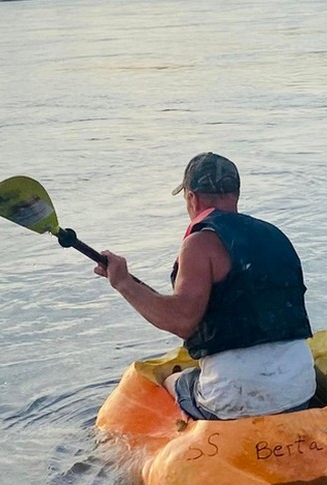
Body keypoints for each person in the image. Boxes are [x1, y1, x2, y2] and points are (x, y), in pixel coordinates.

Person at [94, 152, 315, 420]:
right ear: (235, 194)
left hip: (234, 397)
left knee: (173, 381)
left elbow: (182, 321)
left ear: (192, 198)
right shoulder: (276, 236)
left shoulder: (199, 244)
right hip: (299, 389)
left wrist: (123, 283)